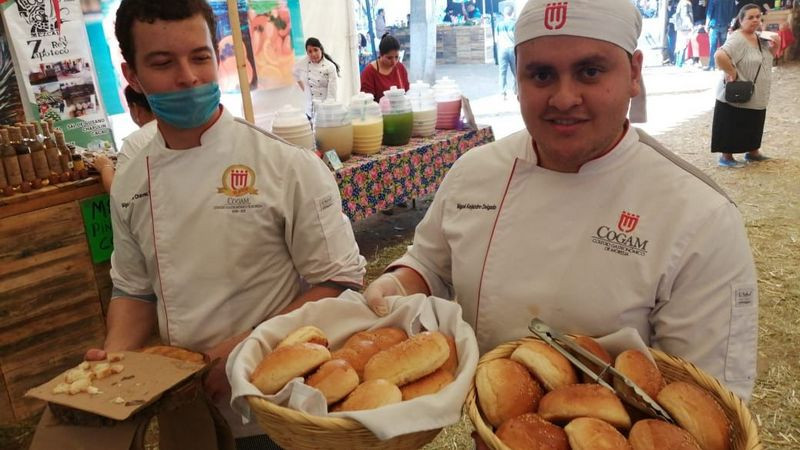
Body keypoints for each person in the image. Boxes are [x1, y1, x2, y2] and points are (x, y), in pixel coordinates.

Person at [364, 0, 758, 402]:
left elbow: (703, 409)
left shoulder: (700, 219)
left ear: (634, 73)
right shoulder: (475, 172)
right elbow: (430, 263)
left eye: (589, 71)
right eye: (541, 75)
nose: (564, 98)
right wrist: (396, 283)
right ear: (518, 78)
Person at [87, 1, 366, 447]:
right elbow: (134, 291)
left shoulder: (285, 166)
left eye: (199, 57)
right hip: (184, 406)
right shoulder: (132, 180)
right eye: (163, 63)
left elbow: (340, 281)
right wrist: (113, 359)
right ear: (133, 76)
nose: (189, 77)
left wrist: (243, 350)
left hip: (276, 406)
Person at [712, 3, 780, 166]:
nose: (755, 20)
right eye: (750, 17)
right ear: (741, 20)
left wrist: (775, 46)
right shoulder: (738, 37)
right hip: (738, 92)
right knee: (732, 121)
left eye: (758, 17)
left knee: (754, 122)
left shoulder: (759, 37)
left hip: (757, 93)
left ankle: (753, 152)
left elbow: (766, 59)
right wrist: (732, 72)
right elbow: (719, 55)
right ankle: (726, 157)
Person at [92, 86, 157, 192]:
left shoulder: (134, 141)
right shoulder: (178, 128)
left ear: (135, 109)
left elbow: (119, 193)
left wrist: (105, 167)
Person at [292, 37, 340, 118]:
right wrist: (305, 90)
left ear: (320, 49)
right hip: (309, 109)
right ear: (307, 53)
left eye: (315, 50)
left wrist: (327, 111)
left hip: (325, 109)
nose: (313, 54)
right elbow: (294, 72)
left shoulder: (330, 67)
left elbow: (332, 94)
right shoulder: (303, 62)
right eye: (310, 51)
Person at [360, 34, 410, 102]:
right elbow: (367, 101)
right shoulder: (369, 72)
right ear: (380, 54)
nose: (394, 62)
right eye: (389, 58)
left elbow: (407, 91)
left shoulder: (400, 68)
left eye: (396, 57)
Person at [706, 0, 738, 70]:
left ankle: (712, 65)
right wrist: (731, 24)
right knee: (723, 47)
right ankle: (722, 66)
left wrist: (706, 24)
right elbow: (734, 13)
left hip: (714, 24)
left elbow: (709, 12)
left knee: (713, 47)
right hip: (725, 25)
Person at [495, 2, 517, 100]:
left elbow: (496, 40)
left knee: (502, 72)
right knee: (516, 72)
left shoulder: (499, 25)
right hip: (512, 49)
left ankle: (503, 93)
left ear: (504, 14)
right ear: (513, 13)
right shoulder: (515, 24)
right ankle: (516, 91)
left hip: (502, 50)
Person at [672, 0, 694, 67]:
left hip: (680, 26)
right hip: (684, 27)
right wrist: (690, 25)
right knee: (683, 44)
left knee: (679, 44)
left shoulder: (681, 2)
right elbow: (685, 15)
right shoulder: (685, 3)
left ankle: (678, 62)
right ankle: (680, 63)